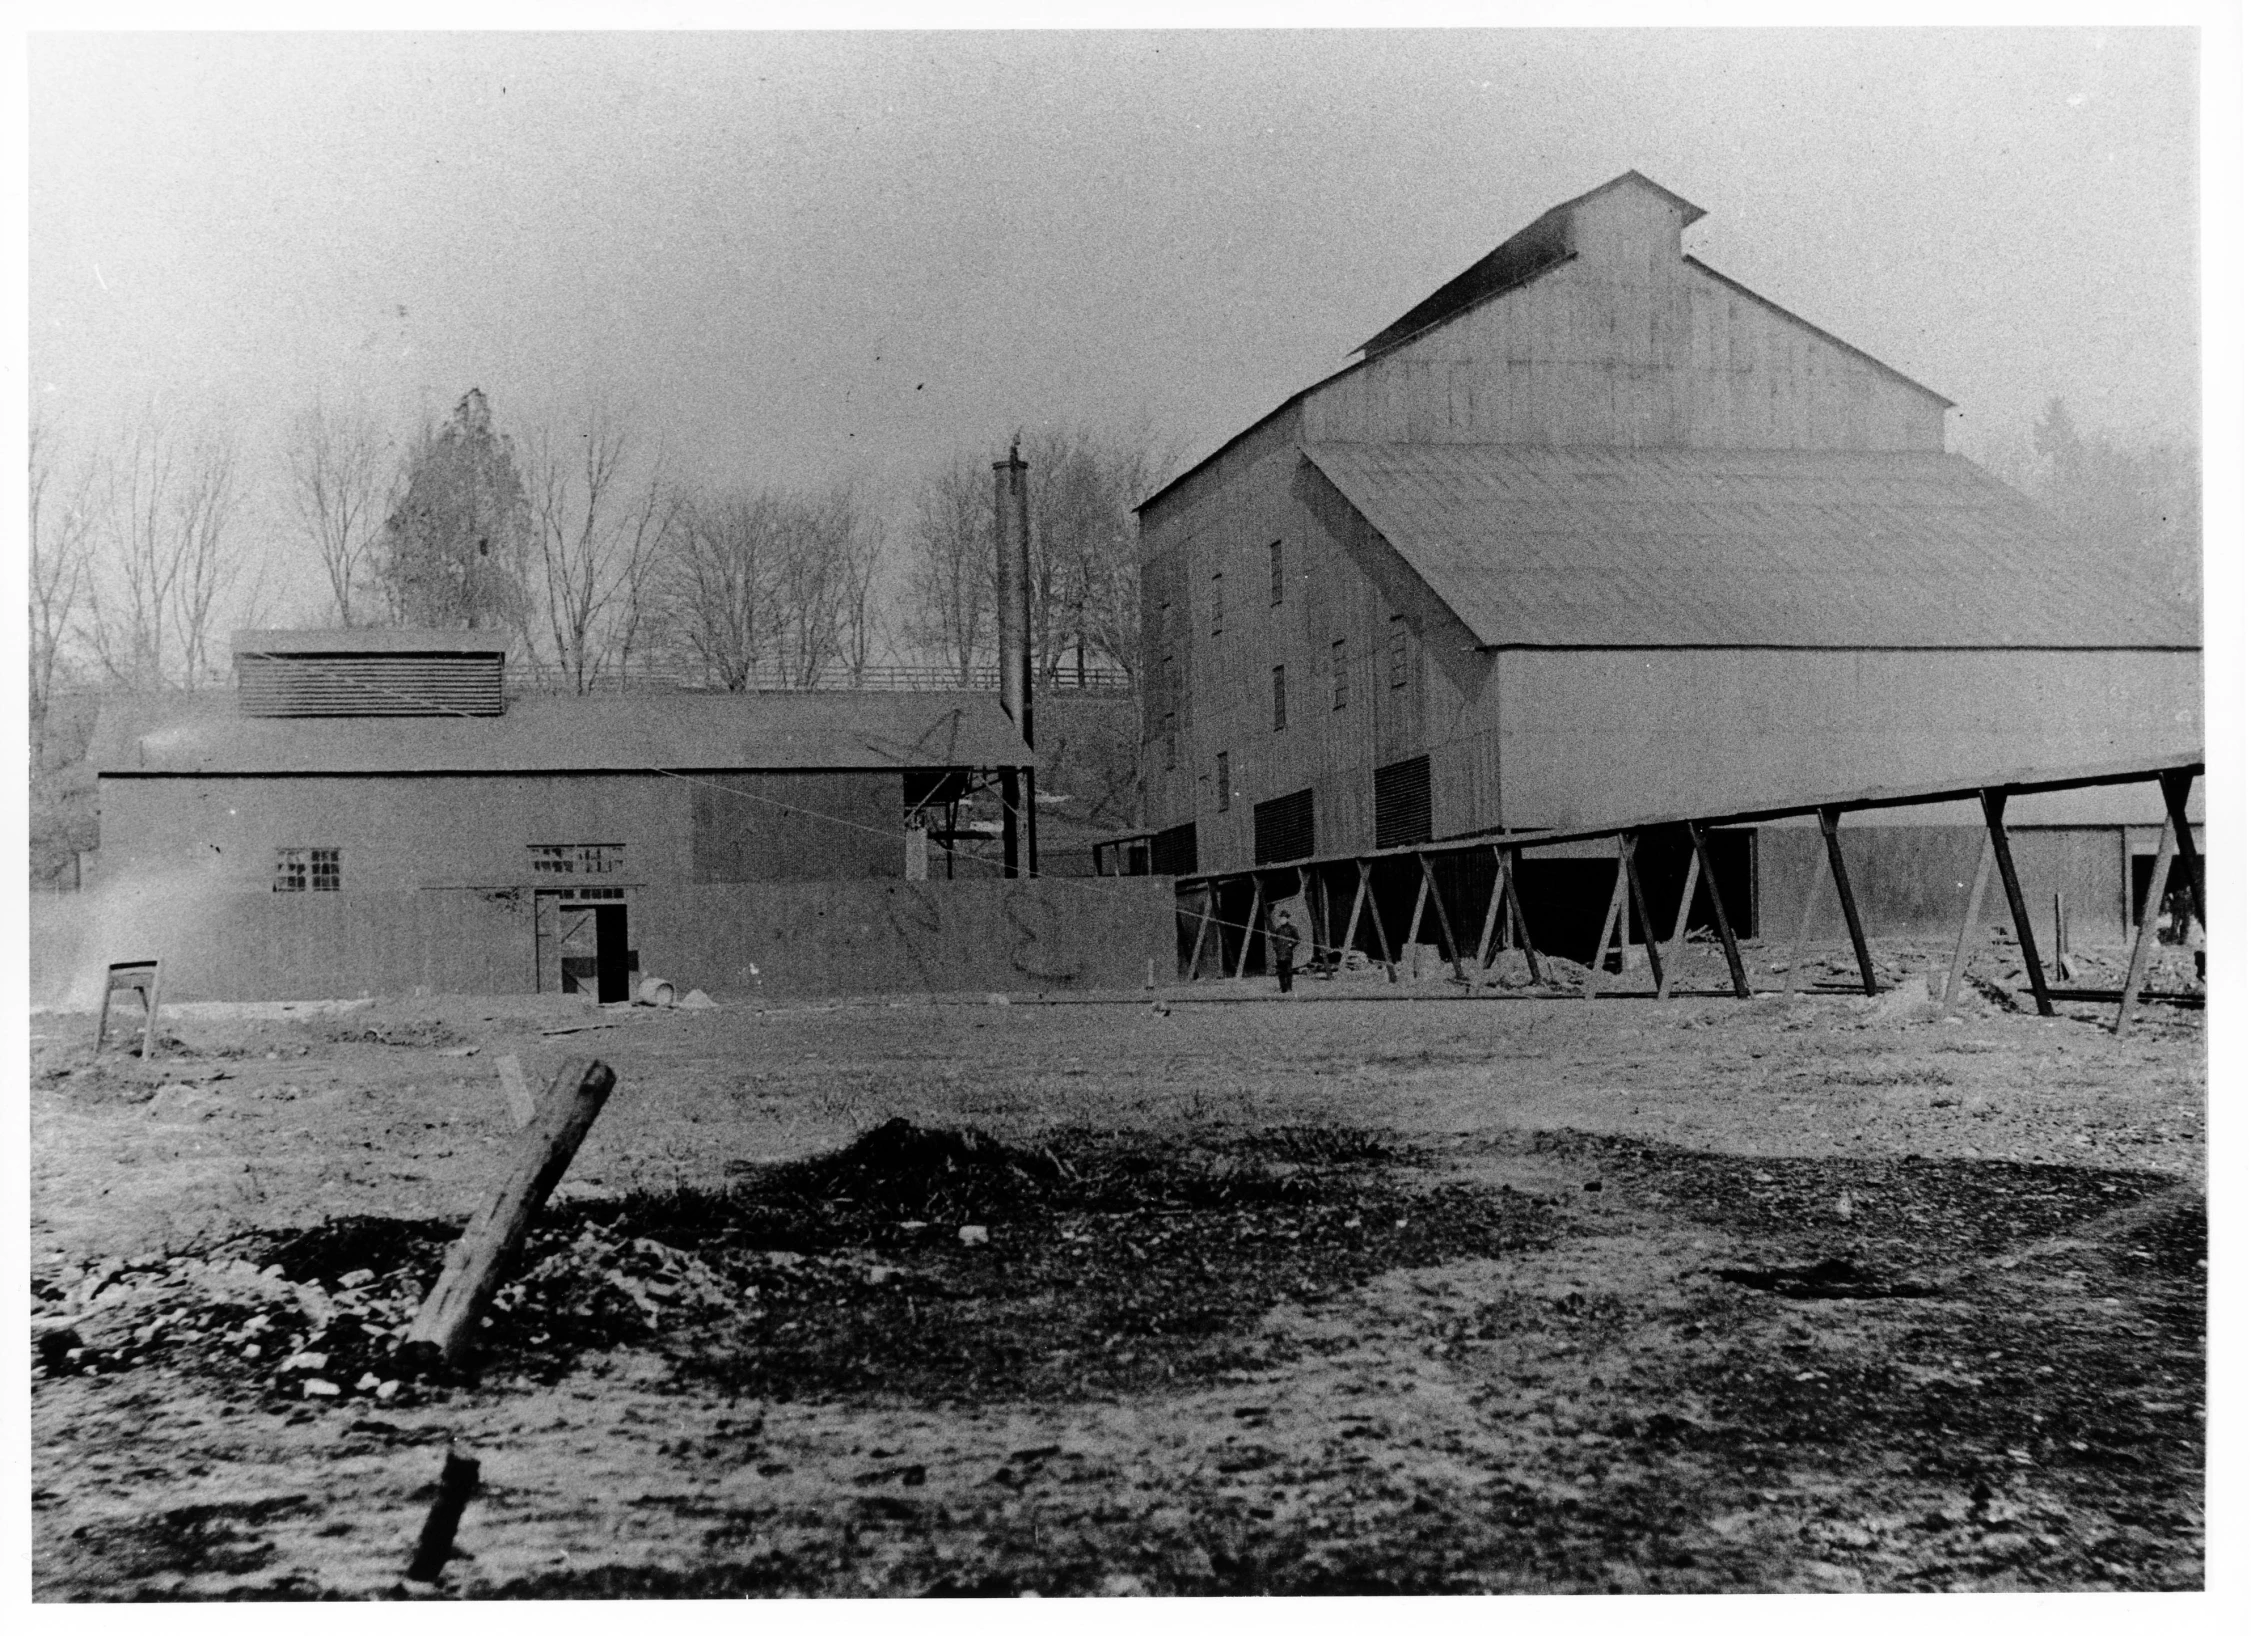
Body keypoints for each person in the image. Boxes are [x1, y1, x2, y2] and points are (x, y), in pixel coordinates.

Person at [1270, 906, 1300, 994]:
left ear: (1287, 919)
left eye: (1283, 918)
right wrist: (1275, 947)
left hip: (1287, 953)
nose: (1282, 920)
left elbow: (1298, 939)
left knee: (1289, 971)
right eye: (1281, 918)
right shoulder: (1278, 929)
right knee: (1280, 971)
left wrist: (1291, 944)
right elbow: (1274, 939)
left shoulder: (1292, 928)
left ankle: (1289, 988)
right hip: (1279, 953)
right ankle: (1283, 988)